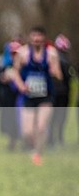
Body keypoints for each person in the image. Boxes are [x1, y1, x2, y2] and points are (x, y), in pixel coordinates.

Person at [7, 26, 63, 165]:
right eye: (34, 36)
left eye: (39, 36)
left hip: (46, 96)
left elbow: (59, 75)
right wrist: (21, 86)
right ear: (30, 37)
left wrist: (54, 72)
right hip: (29, 96)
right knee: (27, 132)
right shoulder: (23, 53)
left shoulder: (51, 54)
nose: (37, 39)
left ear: (44, 38)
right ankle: (32, 148)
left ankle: (38, 154)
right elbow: (15, 72)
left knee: (41, 127)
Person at [49, 34, 72, 147]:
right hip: (62, 93)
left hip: (54, 92)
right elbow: (68, 78)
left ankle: (52, 139)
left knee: (53, 117)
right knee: (60, 117)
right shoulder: (64, 61)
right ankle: (57, 139)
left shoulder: (53, 57)